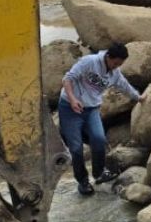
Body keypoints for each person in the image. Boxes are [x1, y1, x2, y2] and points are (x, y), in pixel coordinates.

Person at [58, 43, 143, 195]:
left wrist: (139, 97)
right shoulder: (89, 61)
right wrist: (72, 99)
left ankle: (99, 173)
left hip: (91, 109)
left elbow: (124, 86)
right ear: (108, 57)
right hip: (69, 108)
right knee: (76, 149)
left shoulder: (115, 73)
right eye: (115, 63)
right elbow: (67, 79)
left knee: (99, 139)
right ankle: (83, 182)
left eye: (120, 65)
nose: (116, 67)